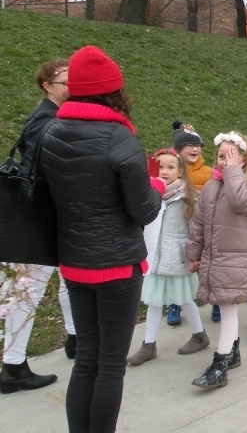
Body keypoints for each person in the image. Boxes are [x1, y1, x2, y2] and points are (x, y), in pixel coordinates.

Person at [38, 45, 163, 430]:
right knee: (111, 365)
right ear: (114, 91)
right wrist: (156, 184)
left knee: (87, 358)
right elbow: (144, 210)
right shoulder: (118, 139)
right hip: (116, 266)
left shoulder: (52, 131)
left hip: (74, 262)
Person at [1, 59, 75, 395]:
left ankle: (70, 340)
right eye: (66, 80)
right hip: (34, 222)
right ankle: (13, 367)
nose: (72, 85)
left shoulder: (48, 117)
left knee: (40, 286)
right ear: (48, 85)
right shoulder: (46, 120)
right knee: (26, 292)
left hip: (39, 219)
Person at [185, 131, 247, 389]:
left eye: (230, 157)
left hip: (237, 260)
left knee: (227, 308)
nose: (224, 162)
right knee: (227, 307)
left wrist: (232, 173)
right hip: (216, 258)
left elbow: (240, 201)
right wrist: (194, 253)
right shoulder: (210, 186)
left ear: (243, 159)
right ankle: (233, 352)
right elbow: (198, 223)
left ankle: (220, 366)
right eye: (220, 156)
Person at [127, 149, 209, 366]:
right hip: (154, 259)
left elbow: (196, 231)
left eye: (171, 167)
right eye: (161, 167)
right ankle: (148, 345)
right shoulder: (151, 195)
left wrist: (194, 256)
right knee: (154, 303)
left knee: (185, 300)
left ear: (181, 171)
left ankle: (199, 335)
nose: (164, 171)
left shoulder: (187, 199)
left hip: (178, 259)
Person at [168, 121, 212, 326]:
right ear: (178, 150)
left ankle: (217, 302)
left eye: (198, 145)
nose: (195, 149)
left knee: (208, 265)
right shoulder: (170, 171)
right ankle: (175, 303)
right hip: (178, 226)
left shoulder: (209, 172)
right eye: (189, 145)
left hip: (202, 225)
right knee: (178, 265)